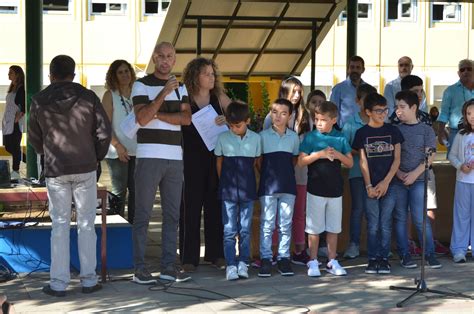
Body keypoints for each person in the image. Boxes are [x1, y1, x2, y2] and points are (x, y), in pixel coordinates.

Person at [28, 55, 111, 296]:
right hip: (85, 167)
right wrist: (95, 156)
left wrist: (46, 152)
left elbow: (34, 136)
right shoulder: (88, 96)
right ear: (73, 75)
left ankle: (58, 283)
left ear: (50, 75)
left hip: (56, 169)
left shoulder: (39, 100)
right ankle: (88, 280)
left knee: (59, 226)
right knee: (86, 224)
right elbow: (104, 132)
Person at [131, 42, 192, 284]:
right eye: (161, 57)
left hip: (175, 157)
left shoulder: (182, 87)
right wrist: (163, 94)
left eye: (170, 57)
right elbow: (142, 118)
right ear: (154, 58)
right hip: (148, 156)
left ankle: (169, 266)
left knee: (172, 215)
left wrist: (157, 114)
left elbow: (186, 119)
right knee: (143, 214)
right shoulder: (141, 84)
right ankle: (139, 268)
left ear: (174, 59)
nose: (166, 61)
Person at [179, 57, 230, 272]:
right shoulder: (184, 96)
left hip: (215, 159)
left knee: (214, 206)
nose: (212, 77)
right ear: (195, 76)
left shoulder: (218, 97)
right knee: (189, 207)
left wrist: (227, 119)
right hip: (190, 160)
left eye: (212, 73)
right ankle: (188, 257)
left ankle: (215, 254)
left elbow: (239, 116)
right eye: (207, 73)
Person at [391, 75, 449, 256]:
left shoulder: (425, 123)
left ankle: (429, 252)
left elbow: (430, 151)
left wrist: (416, 173)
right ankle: (405, 251)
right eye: (397, 107)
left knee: (421, 215)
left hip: (421, 176)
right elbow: (393, 154)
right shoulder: (394, 124)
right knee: (401, 216)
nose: (398, 110)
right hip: (399, 177)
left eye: (402, 107)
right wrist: (400, 173)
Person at [298, 101, 353, 277]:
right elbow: (300, 161)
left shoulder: (340, 138)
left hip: (335, 190)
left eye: (323, 120)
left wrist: (337, 154)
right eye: (316, 119)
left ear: (334, 120)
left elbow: (350, 162)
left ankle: (332, 260)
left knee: (333, 228)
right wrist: (319, 155)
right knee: (314, 228)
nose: (319, 123)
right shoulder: (311, 137)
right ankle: (313, 260)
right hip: (315, 190)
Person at [261, 77, 312, 266]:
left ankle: (299, 250)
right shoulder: (270, 117)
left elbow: (308, 143)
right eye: (294, 91)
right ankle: (272, 253)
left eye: (300, 92)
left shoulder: (305, 116)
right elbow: (264, 145)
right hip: (275, 176)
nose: (298, 95)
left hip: (299, 173)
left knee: (298, 213)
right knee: (273, 216)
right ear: (284, 92)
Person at [352, 92, 403, 275]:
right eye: (378, 110)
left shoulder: (393, 131)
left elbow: (397, 160)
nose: (382, 114)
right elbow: (362, 161)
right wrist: (369, 186)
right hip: (370, 185)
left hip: (390, 184)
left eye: (385, 110)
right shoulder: (362, 133)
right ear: (368, 112)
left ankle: (384, 258)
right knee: (373, 223)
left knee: (385, 223)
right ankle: (373, 258)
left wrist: (386, 182)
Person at [215, 101, 261, 281]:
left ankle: (243, 262)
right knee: (228, 229)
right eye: (231, 126)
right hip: (228, 190)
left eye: (238, 125)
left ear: (248, 121)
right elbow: (219, 162)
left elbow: (257, 162)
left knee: (245, 229)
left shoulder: (256, 139)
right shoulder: (222, 138)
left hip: (248, 189)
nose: (234, 129)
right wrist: (224, 181)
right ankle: (230, 264)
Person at [257, 98, 299, 277]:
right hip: (268, 187)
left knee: (285, 224)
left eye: (283, 113)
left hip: (288, 186)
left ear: (289, 116)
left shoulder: (294, 137)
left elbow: (295, 160)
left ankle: (283, 258)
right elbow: (258, 162)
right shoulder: (262, 136)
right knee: (267, 224)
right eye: (274, 112)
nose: (278, 117)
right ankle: (266, 258)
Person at [342, 83, 376, 259]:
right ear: (358, 101)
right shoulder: (350, 123)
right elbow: (344, 146)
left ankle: (375, 246)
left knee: (374, 210)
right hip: (356, 172)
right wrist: (362, 150)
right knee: (358, 209)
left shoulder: (378, 121)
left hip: (377, 174)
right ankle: (353, 245)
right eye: (365, 100)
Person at [102, 60, 137, 223]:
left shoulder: (137, 92)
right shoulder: (110, 95)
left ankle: (134, 230)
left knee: (137, 192)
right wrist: (118, 146)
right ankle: (118, 227)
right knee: (119, 192)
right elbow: (105, 125)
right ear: (114, 76)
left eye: (127, 71)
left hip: (138, 150)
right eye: (120, 72)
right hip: (117, 151)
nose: (125, 75)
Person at [448, 99, 474, 264]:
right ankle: (459, 249)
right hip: (464, 181)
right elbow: (452, 155)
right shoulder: (461, 135)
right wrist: (460, 165)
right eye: (469, 113)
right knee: (461, 215)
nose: (472, 117)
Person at [438, 59, 474, 154]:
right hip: (456, 133)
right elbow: (444, 113)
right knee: (456, 166)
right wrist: (441, 132)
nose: (465, 71)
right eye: (462, 70)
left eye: (469, 69)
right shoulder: (450, 91)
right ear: (458, 73)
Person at [330, 56, 366, 128]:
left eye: (358, 67)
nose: (354, 70)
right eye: (352, 67)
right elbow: (332, 112)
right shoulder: (338, 89)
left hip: (365, 131)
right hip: (344, 132)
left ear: (363, 70)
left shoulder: (368, 89)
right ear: (348, 69)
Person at [2, 65, 25, 180]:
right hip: (7, 122)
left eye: (10, 72)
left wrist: (19, 116)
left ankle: (15, 171)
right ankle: (26, 159)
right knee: (8, 147)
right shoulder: (12, 88)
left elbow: (24, 105)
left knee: (15, 148)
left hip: (15, 123)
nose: (8, 74)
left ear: (17, 75)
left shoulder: (21, 89)